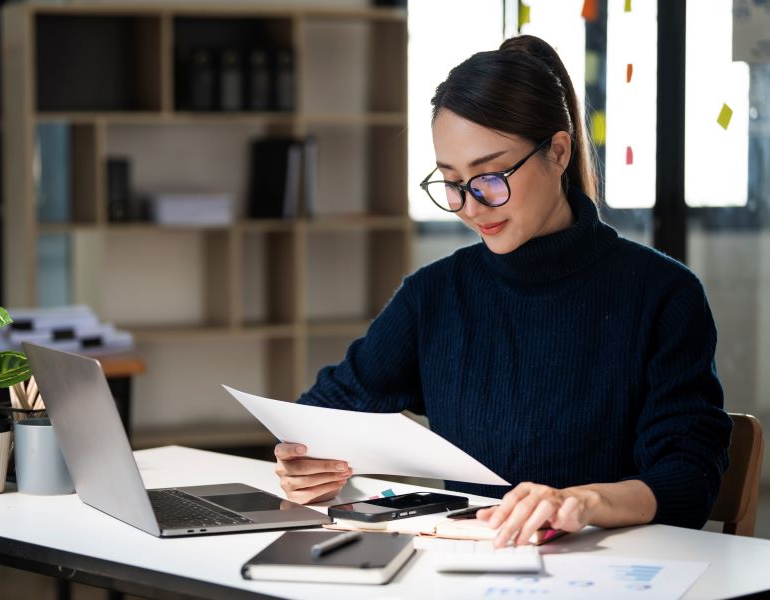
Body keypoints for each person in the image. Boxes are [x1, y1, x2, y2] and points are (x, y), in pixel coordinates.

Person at [273, 35, 732, 548]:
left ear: (558, 151)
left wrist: (582, 501)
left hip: (612, 572)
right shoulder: (435, 295)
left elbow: (689, 480)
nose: (471, 206)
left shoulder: (663, 295)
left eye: (490, 176)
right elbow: (325, 408)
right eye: (451, 182)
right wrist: (304, 462)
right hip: (471, 570)